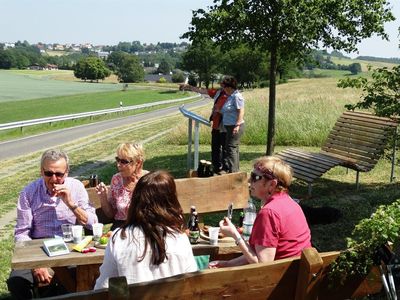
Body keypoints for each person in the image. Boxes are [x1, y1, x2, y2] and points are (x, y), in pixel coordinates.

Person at [7, 149, 98, 299]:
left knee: (78, 278)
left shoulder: (76, 187)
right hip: (37, 247)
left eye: (59, 174)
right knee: (17, 281)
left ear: (67, 172)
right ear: (41, 172)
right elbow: (22, 232)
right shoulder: (29, 192)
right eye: (49, 174)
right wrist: (36, 264)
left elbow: (92, 223)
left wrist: (70, 203)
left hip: (69, 247)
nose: (54, 179)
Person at [94, 170, 198, 289]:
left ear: (136, 201)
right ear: (171, 202)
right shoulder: (180, 239)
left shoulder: (119, 239)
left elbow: (102, 288)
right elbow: (192, 285)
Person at [209, 156, 311, 268]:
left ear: (272, 184)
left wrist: (235, 235)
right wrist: (228, 264)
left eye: (255, 177)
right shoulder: (291, 203)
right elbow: (259, 252)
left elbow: (262, 265)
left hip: (280, 281)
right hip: (296, 274)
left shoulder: (269, 212)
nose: (249, 181)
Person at [96, 142, 148, 230]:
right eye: (118, 159)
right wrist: (103, 197)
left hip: (143, 227)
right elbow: (110, 214)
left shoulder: (149, 180)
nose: (118, 164)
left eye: (124, 161)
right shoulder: (116, 179)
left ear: (138, 163)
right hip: (120, 226)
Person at [219, 76, 245, 173]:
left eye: (224, 87)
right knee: (232, 148)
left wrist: (237, 125)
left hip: (235, 126)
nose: (223, 89)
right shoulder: (230, 96)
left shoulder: (237, 96)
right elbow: (229, 110)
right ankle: (235, 171)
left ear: (230, 87)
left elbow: (241, 111)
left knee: (231, 148)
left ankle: (233, 172)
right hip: (229, 126)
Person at [207, 81, 228, 174]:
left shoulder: (231, 96)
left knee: (225, 147)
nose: (221, 86)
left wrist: (219, 110)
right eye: (221, 84)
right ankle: (215, 166)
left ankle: (225, 167)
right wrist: (189, 87)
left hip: (225, 125)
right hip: (216, 124)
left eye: (223, 84)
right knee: (215, 146)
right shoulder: (219, 93)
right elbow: (205, 91)